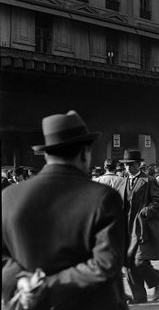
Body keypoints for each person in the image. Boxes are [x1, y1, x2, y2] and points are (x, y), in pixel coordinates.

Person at [2, 110, 127, 309]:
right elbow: (106, 264)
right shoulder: (102, 197)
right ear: (84, 152)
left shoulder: (9, 197)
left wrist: (21, 281)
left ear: (46, 153)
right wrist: (48, 284)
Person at [118, 149, 159, 304]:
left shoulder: (149, 180)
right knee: (128, 263)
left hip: (141, 228)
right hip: (126, 229)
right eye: (126, 165)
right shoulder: (123, 182)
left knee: (139, 261)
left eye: (131, 164)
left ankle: (157, 281)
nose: (128, 168)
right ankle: (139, 297)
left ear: (139, 164)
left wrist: (146, 211)